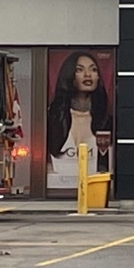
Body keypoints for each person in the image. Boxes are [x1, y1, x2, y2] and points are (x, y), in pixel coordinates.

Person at [46, 50, 112, 190]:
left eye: (93, 70)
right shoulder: (54, 118)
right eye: (80, 70)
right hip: (57, 187)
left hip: (94, 188)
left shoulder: (105, 120)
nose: (88, 75)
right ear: (70, 76)